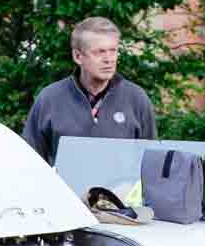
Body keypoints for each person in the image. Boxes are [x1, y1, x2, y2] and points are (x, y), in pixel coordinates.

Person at [22, 17, 156, 163]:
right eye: (100, 52)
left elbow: (150, 164)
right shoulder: (50, 98)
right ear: (78, 56)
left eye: (113, 51)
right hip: (64, 186)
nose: (109, 59)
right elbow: (30, 162)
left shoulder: (136, 98)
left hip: (120, 186)